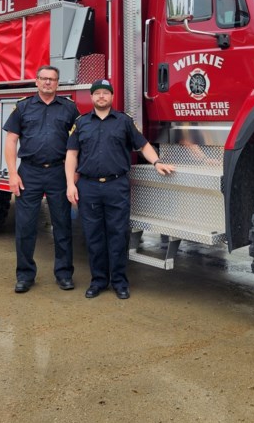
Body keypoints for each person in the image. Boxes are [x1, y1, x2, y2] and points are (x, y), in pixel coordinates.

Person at [65, 78, 175, 300]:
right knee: (93, 236)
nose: (102, 97)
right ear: (92, 97)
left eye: (106, 93)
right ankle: (98, 282)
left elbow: (143, 145)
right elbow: (71, 155)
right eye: (97, 93)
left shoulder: (124, 121)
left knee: (118, 236)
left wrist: (157, 162)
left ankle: (119, 282)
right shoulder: (82, 123)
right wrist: (70, 184)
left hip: (117, 186)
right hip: (88, 186)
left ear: (112, 97)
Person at [3, 65, 80, 293]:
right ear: (36, 81)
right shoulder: (23, 107)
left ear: (58, 83)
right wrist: (13, 174)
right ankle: (25, 276)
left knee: (63, 226)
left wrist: (73, 177)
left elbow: (77, 144)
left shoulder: (69, 109)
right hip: (29, 173)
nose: (48, 83)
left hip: (58, 172)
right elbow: (11, 141)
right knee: (25, 227)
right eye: (44, 79)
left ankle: (64, 274)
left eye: (52, 79)